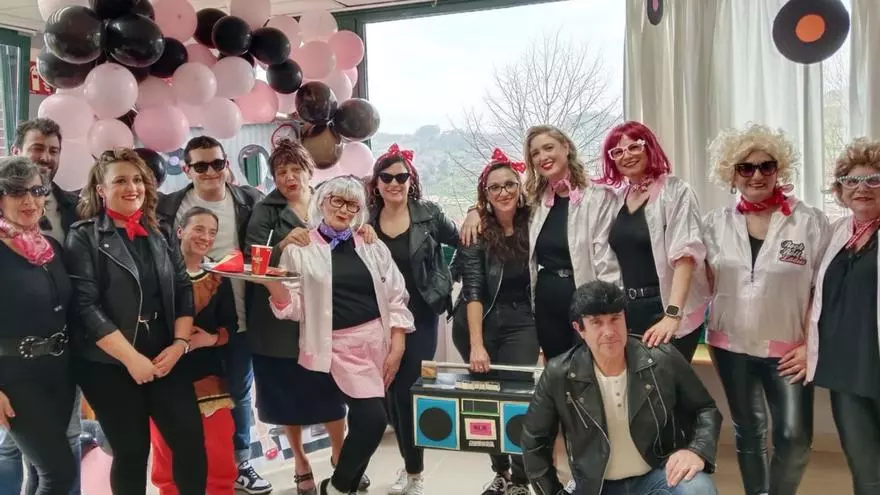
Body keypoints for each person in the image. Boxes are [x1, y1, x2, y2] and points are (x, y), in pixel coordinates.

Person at [64, 148, 207, 495]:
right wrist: (131, 359)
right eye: (120, 181)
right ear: (101, 190)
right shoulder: (83, 236)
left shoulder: (160, 230)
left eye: (137, 179)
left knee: (190, 444)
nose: (132, 188)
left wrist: (180, 344)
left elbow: (183, 289)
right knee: (131, 453)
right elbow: (85, 307)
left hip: (165, 354)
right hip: (109, 364)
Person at [260, 175, 413, 495]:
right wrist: (273, 286)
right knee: (373, 420)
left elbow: (396, 294)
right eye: (337, 201)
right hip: (339, 347)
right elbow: (294, 308)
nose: (344, 210)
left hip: (379, 343)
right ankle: (338, 488)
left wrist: (398, 342)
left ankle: (346, 485)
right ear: (322, 202)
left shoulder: (370, 243)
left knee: (363, 421)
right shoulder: (300, 247)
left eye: (352, 204)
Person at [703, 124, 827, 495]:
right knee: (749, 430)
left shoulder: (809, 222)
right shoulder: (714, 224)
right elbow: (697, 280)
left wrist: (811, 345)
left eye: (766, 166)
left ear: (779, 170)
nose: (756, 175)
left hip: (789, 348)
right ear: (731, 174)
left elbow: (823, 290)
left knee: (794, 437)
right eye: (746, 167)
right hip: (730, 345)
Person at [245, 140, 369, 494]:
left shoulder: (328, 200)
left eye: (295, 169)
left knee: (331, 392)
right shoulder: (265, 211)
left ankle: (340, 455)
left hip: (327, 316)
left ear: (308, 171)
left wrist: (365, 231)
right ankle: (300, 462)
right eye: (281, 172)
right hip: (279, 322)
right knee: (287, 397)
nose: (289, 177)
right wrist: (284, 244)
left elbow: (352, 232)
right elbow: (254, 261)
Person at [521, 281, 722, 495]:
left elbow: (705, 409)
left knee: (698, 489)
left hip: (657, 477)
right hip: (596, 487)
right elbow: (534, 440)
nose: (609, 332)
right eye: (596, 323)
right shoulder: (559, 374)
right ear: (579, 329)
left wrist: (696, 451)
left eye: (615, 319)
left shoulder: (662, 358)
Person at [157, 136, 271, 494]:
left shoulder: (249, 200)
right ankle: (187, 473)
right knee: (181, 400)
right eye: (201, 165)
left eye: (217, 163)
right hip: (180, 322)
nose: (210, 171)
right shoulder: (169, 206)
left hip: (237, 314)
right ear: (187, 169)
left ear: (227, 165)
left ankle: (240, 464)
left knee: (238, 392)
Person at [461, 125, 618, 362]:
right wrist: (475, 211)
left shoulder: (598, 197)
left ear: (566, 147)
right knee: (556, 372)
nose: (543, 157)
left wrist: (608, 309)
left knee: (591, 367)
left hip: (586, 298)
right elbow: (500, 202)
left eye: (548, 148)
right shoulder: (538, 201)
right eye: (535, 153)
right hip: (547, 303)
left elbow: (607, 261)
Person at [367, 144, 459, 495]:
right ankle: (408, 464)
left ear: (411, 180)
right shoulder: (366, 222)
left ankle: (415, 473)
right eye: (387, 177)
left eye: (401, 177)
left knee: (408, 392)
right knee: (389, 395)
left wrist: (445, 279)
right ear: (376, 183)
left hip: (420, 316)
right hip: (380, 318)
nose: (395, 183)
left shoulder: (429, 214)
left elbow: (464, 243)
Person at [0, 119, 83, 495]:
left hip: (59, 372)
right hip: (15, 377)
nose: (29, 201)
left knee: (41, 473)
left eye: (36, 191)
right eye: (16, 193)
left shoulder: (51, 248)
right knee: (59, 473)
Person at [449, 149, 538, 495]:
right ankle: (500, 472)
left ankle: (521, 479)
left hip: (522, 322)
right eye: (495, 187)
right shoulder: (476, 231)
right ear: (485, 193)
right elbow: (473, 291)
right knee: (486, 403)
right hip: (478, 322)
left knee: (517, 401)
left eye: (509, 185)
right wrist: (476, 345)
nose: (503, 192)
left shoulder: (535, 221)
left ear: (520, 186)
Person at [597, 121, 710, 362]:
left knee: (665, 382)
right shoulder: (619, 199)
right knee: (636, 383)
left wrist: (672, 315)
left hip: (666, 308)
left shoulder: (676, 191)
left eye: (634, 147)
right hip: (629, 311)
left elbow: (686, 256)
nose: (626, 156)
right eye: (618, 151)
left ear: (648, 147)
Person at [807, 137, 880, 495]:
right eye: (852, 180)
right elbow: (815, 295)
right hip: (847, 372)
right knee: (866, 473)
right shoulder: (836, 233)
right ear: (840, 190)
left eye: (874, 180)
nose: (861, 188)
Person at [149, 206, 238, 495]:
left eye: (212, 232)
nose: (205, 237)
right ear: (180, 231)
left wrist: (208, 340)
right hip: (164, 375)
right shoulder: (157, 273)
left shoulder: (217, 276)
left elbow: (230, 326)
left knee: (219, 450)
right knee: (167, 455)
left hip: (208, 375)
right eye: (199, 229)